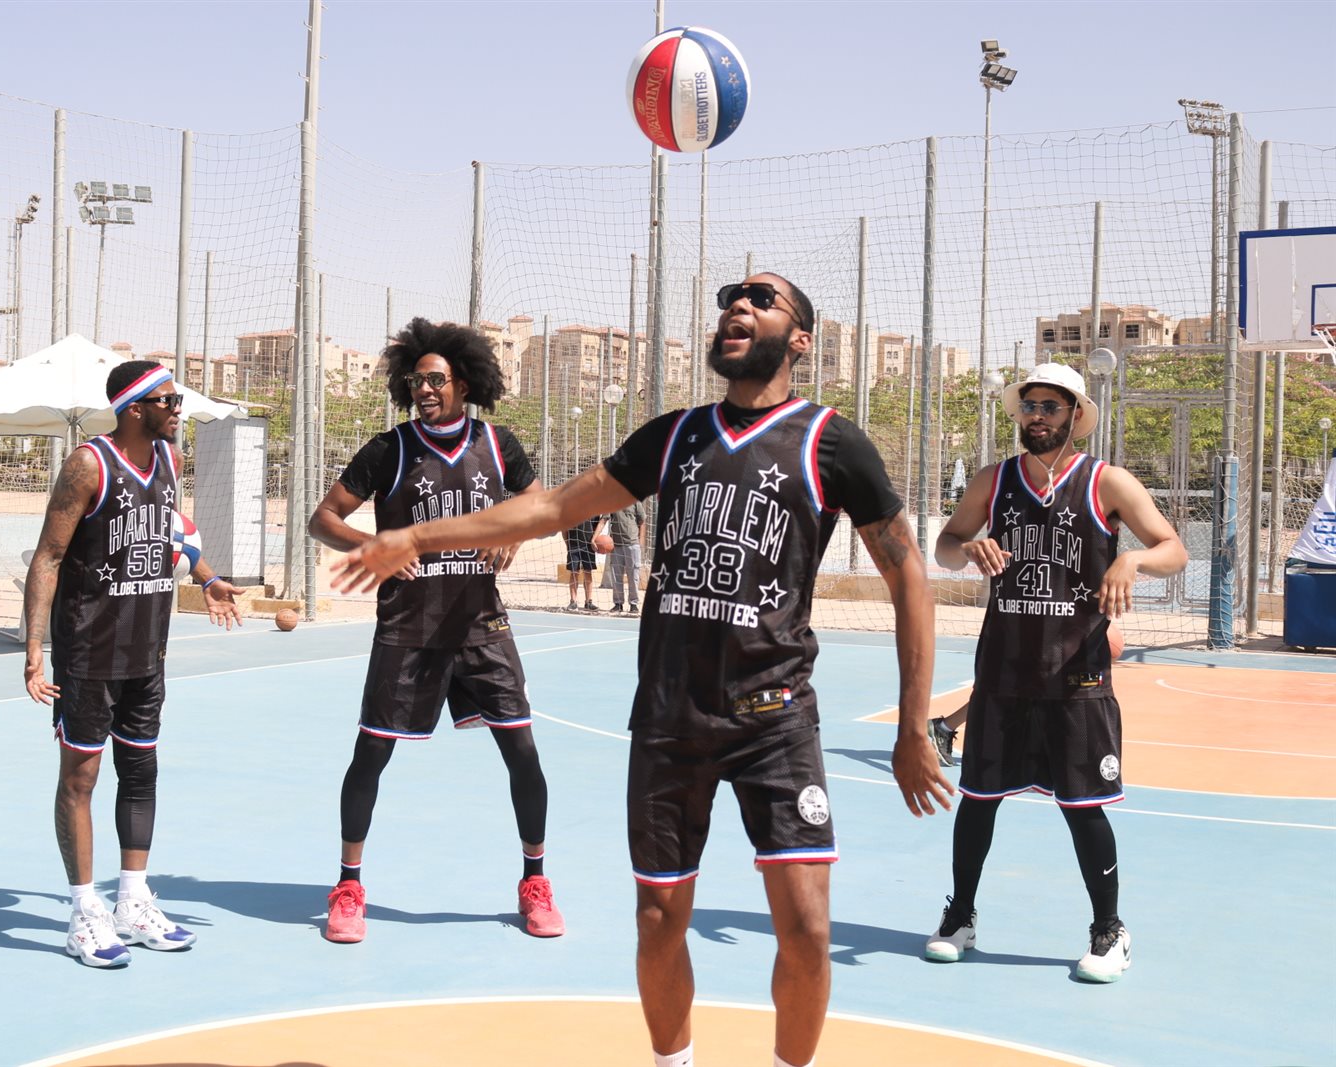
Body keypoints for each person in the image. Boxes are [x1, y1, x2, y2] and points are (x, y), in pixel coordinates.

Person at [331, 276, 952, 1067]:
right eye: (731, 300)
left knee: (806, 927)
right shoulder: (676, 436)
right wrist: (418, 536)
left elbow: (908, 575)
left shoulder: (831, 442)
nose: (738, 306)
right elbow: (551, 508)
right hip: (669, 716)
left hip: (775, 715)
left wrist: (912, 726)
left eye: (762, 300)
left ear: (801, 339)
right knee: (658, 920)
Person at [922, 363, 1186, 984]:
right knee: (978, 800)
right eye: (1028, 406)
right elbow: (946, 546)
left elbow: (1173, 549)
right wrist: (968, 547)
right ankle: (960, 917)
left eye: (1049, 406)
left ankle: (1109, 930)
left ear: (1074, 414)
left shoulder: (1107, 480)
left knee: (1083, 806)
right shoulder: (994, 480)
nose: (1036, 416)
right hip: (1005, 669)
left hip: (1077, 674)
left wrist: (1133, 561)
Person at [308, 316, 566, 945]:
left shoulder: (498, 444)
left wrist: (513, 533)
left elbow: (543, 508)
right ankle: (348, 886)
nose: (424, 389)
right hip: (408, 628)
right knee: (371, 753)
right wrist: (372, 546)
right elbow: (323, 518)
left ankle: (535, 881)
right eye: (416, 380)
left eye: (436, 380)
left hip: (481, 625)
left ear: (464, 383)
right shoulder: (389, 450)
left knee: (523, 752)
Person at [23, 361, 244, 969]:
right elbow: (48, 557)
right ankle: (84, 913)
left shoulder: (171, 460)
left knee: (141, 772)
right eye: (169, 400)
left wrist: (208, 578)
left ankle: (133, 901)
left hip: (148, 650)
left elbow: (169, 535)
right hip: (88, 653)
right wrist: (35, 648)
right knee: (81, 779)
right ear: (135, 407)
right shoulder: (88, 465)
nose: (179, 409)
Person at [927, 620, 1126, 767]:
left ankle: (944, 728)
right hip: (1027, 630)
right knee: (1006, 693)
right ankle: (944, 728)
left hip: (1047, 631)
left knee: (1016, 692)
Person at [599, 500, 647, 613]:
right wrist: (594, 538)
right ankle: (618, 603)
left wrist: (640, 542)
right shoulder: (612, 500)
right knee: (616, 576)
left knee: (633, 576)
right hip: (616, 545)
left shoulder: (635, 500)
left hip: (632, 544)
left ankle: (634, 604)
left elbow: (642, 521)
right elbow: (604, 519)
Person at [564, 516, 599, 610]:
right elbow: (564, 528)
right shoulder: (570, 510)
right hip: (573, 544)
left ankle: (589, 602)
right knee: (574, 572)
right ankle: (573, 601)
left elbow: (596, 527)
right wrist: (567, 543)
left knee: (588, 572)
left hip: (588, 545)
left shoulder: (593, 511)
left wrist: (594, 540)